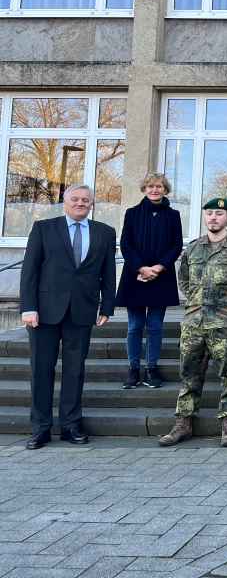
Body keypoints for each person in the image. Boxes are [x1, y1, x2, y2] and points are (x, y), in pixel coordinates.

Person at [20, 185, 116, 450]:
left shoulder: (104, 233)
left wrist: (107, 306)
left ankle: (71, 425)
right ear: (65, 202)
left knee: (75, 371)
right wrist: (28, 308)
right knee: (41, 370)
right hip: (43, 312)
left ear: (92, 204)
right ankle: (40, 428)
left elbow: (108, 273)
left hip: (82, 311)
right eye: (75, 199)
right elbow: (29, 271)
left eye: (85, 200)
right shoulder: (43, 228)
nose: (80, 203)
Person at [159, 198, 227, 448]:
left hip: (226, 323)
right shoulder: (192, 249)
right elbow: (184, 280)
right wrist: (198, 302)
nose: (213, 218)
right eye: (209, 213)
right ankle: (183, 422)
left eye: (219, 213)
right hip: (194, 322)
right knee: (189, 374)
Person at [115, 172, 183, 390]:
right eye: (151, 186)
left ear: (165, 190)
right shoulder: (132, 213)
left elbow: (176, 245)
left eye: (159, 186)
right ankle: (133, 368)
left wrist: (159, 267)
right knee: (135, 326)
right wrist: (142, 268)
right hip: (135, 276)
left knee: (155, 326)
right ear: (144, 189)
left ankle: (151, 368)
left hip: (161, 276)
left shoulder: (173, 215)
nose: (155, 190)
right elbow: (126, 244)